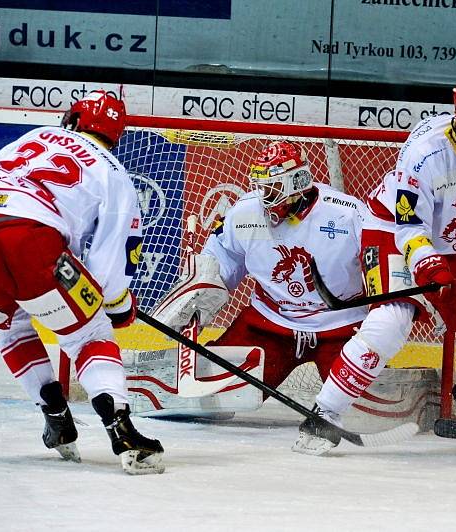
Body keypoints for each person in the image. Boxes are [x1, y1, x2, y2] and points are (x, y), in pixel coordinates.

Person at [306, 72, 456, 452]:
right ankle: (323, 414)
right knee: (390, 322)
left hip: (455, 244)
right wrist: (427, 264)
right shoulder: (426, 151)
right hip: (392, 231)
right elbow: (409, 227)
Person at [0, 91, 164, 474]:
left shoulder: (32, 137)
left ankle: (56, 418)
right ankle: (123, 431)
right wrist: (116, 304)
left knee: (11, 328)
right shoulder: (112, 171)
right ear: (116, 134)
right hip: (31, 238)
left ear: (73, 119)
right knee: (89, 333)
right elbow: (111, 257)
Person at [153, 140, 369, 455]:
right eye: (261, 187)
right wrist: (202, 287)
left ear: (298, 182)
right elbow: (221, 257)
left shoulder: (348, 214)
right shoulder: (246, 212)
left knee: (366, 413)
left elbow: (382, 265)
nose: (264, 197)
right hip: (270, 325)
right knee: (207, 395)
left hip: (339, 327)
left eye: (272, 188)